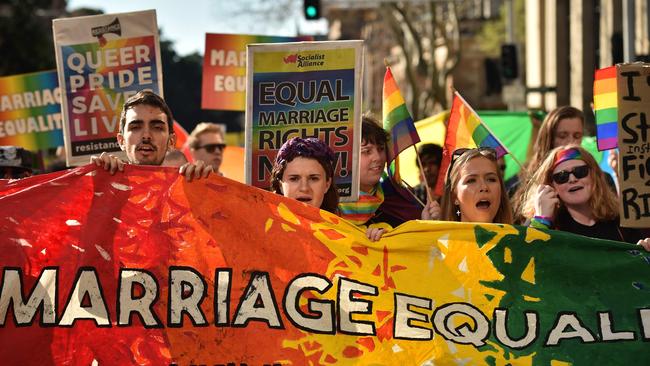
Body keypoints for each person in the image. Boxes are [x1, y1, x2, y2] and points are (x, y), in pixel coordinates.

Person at [521, 145, 650, 248]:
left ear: (594, 176)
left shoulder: (620, 221)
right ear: (552, 186)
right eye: (562, 176)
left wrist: (641, 251)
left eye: (580, 172)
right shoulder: (543, 223)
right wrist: (542, 220)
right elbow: (523, 261)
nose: (572, 179)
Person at [338, 115, 426, 241]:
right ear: (346, 156)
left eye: (381, 149)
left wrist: (425, 222)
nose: (378, 158)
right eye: (367, 151)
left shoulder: (398, 198)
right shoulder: (326, 204)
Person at [91, 90, 212, 180]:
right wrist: (94, 187)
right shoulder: (101, 182)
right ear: (121, 141)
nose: (146, 136)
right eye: (136, 127)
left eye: (157, 128)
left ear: (171, 141)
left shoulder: (194, 184)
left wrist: (205, 194)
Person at [512, 106, 585, 222]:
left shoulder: (595, 178)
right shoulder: (522, 183)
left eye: (577, 136)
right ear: (549, 138)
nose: (571, 142)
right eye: (562, 136)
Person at [439, 147, 513, 224]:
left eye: (491, 179)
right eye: (471, 181)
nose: (484, 187)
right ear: (454, 196)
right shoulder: (435, 236)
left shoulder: (522, 235)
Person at [269, 137, 339, 214]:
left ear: (327, 185)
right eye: (294, 179)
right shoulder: (258, 225)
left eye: (314, 178)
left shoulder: (344, 226)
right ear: (280, 185)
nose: (304, 188)